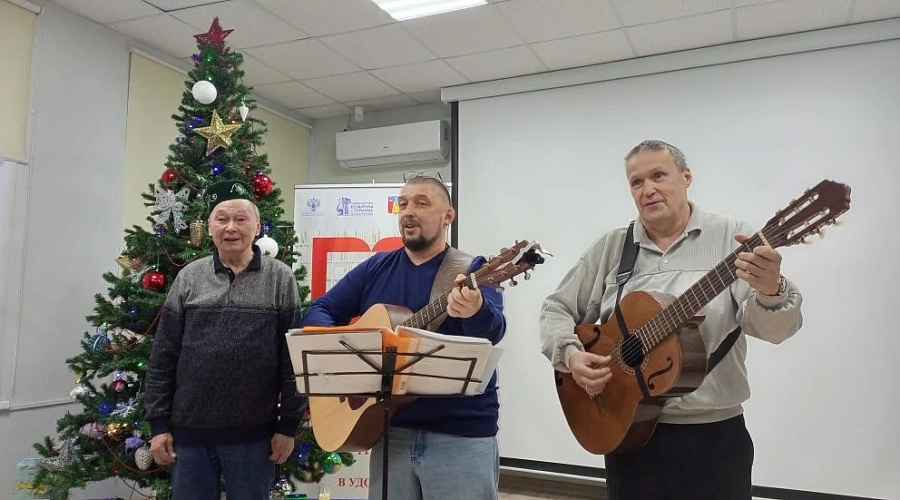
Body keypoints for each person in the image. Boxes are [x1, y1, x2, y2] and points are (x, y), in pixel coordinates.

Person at [539, 140, 803, 500]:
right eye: (636, 182)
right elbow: (555, 309)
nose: (647, 189)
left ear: (686, 176)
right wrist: (571, 355)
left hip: (714, 438)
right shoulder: (612, 247)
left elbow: (774, 331)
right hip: (626, 433)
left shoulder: (732, 237)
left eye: (658, 176)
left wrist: (771, 289)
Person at [300, 175, 506, 500]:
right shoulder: (376, 268)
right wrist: (344, 348)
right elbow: (321, 308)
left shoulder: (474, 270)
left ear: (448, 216)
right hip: (389, 428)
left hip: (459, 432)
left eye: (421, 203)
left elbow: (492, 331)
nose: (408, 211)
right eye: (403, 204)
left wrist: (475, 309)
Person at [144, 179, 305, 500]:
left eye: (241, 219)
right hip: (189, 435)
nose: (231, 227)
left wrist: (287, 426)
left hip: (255, 437)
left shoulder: (280, 278)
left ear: (257, 227)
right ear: (210, 227)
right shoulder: (189, 277)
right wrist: (159, 425)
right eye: (222, 219)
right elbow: (163, 356)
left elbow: (293, 360)